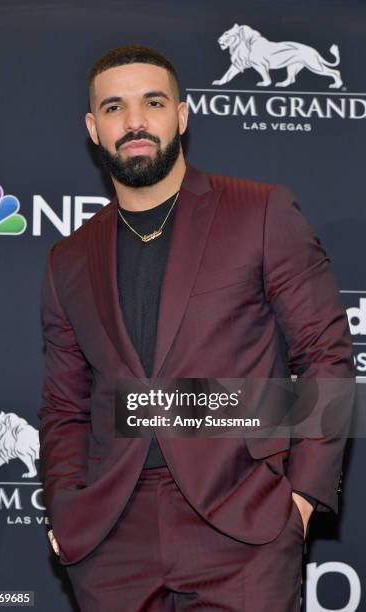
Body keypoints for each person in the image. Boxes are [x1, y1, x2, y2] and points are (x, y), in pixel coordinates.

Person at [38, 44, 355, 611]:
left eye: (152, 102)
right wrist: (65, 505)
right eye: (114, 108)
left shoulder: (260, 212)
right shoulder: (69, 257)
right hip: (111, 536)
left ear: (182, 115)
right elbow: (66, 406)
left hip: (242, 524)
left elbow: (324, 353)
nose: (134, 122)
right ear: (93, 128)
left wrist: (302, 497)